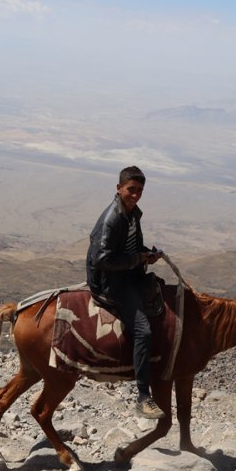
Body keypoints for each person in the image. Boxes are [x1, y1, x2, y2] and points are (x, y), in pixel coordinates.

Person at [86, 166, 165, 419]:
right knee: (144, 330)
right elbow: (100, 258)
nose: (135, 195)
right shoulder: (112, 218)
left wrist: (146, 254)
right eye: (131, 190)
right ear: (119, 188)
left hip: (127, 272)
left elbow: (131, 246)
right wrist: (136, 259)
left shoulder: (131, 214)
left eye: (140, 191)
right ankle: (143, 396)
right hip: (111, 282)